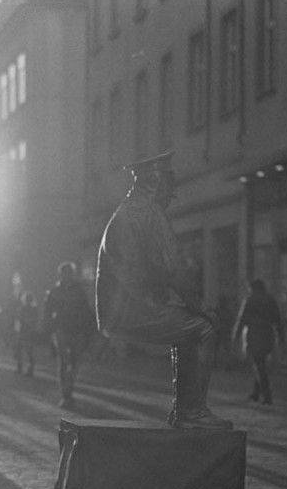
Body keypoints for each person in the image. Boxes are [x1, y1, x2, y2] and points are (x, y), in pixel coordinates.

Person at [95, 150, 232, 430]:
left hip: (121, 311)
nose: (174, 194)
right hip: (133, 311)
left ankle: (185, 411)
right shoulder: (149, 213)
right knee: (204, 328)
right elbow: (176, 273)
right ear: (154, 182)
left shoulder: (130, 210)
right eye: (170, 185)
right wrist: (203, 308)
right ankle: (191, 412)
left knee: (188, 329)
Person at [43, 261, 97, 409]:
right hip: (61, 329)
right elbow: (48, 312)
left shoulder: (78, 291)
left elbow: (85, 310)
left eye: (69, 273)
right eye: (65, 273)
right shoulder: (55, 291)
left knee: (75, 363)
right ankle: (66, 394)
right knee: (64, 361)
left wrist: (86, 329)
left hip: (76, 329)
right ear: (61, 275)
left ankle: (69, 388)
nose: (68, 276)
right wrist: (51, 329)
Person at [232, 279, 284, 404]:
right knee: (259, 363)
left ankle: (266, 395)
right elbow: (277, 319)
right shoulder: (270, 299)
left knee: (258, 364)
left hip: (255, 334)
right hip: (268, 335)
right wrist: (281, 337)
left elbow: (242, 319)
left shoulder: (249, 300)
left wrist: (236, 335)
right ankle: (256, 393)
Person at [14, 291, 39, 377]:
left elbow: (19, 319)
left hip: (24, 331)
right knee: (28, 350)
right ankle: (29, 368)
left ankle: (20, 367)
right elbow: (35, 320)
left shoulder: (23, 308)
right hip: (29, 331)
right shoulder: (33, 309)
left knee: (21, 350)